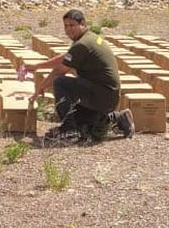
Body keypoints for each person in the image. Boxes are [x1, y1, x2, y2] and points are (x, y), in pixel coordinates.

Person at [19, 9, 133, 143]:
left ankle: (69, 130)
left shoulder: (82, 44)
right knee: (80, 119)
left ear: (83, 23)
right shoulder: (88, 38)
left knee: (60, 82)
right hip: (105, 95)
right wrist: (35, 67)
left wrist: (39, 89)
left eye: (72, 25)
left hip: (102, 95)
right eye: (66, 26)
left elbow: (59, 71)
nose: (68, 29)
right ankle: (118, 118)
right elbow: (64, 58)